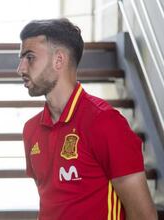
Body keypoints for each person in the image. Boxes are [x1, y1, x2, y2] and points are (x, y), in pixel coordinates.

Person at [17, 18, 157, 220]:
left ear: (59, 60)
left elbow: (144, 215)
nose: (20, 69)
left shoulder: (105, 122)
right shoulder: (31, 129)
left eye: (30, 57)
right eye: (21, 58)